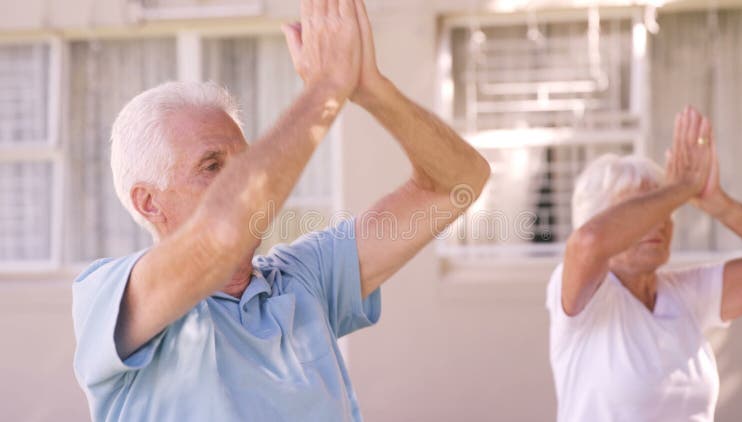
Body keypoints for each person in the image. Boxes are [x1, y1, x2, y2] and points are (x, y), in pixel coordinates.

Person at [71, 1, 490, 420]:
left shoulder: (305, 276)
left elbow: (458, 182)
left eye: (248, 162)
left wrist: (369, 89)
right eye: (213, 166)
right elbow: (215, 240)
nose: (250, 182)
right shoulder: (111, 295)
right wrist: (325, 90)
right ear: (149, 201)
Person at [547, 106, 742, 421]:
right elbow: (588, 242)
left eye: (665, 210)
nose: (657, 224)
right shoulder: (583, 298)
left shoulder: (685, 293)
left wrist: (719, 204)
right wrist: (679, 189)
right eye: (641, 212)